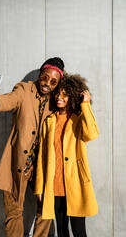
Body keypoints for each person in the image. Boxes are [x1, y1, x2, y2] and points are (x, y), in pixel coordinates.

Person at [0, 57, 65, 237]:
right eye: (45, 77)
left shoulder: (56, 101)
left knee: (46, 210)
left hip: (41, 166)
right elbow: (7, 101)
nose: (47, 84)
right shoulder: (24, 90)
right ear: (40, 74)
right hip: (15, 163)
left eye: (53, 82)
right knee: (13, 213)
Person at [34, 74, 99, 237]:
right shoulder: (49, 121)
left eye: (65, 94)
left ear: (72, 96)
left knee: (79, 232)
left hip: (75, 184)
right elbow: (42, 156)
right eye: (58, 94)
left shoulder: (78, 120)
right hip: (54, 186)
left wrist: (85, 104)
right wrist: (39, 187)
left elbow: (92, 134)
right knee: (62, 232)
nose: (59, 98)